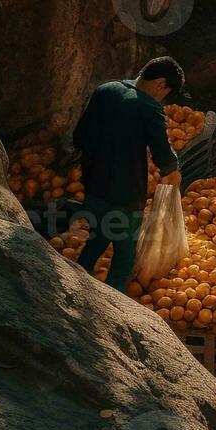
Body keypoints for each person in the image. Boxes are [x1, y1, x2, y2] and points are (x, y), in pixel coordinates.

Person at [72, 56, 185, 291]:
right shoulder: (148, 107)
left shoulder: (105, 90)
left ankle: (74, 283)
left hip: (93, 185)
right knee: (124, 255)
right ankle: (113, 308)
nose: (161, 100)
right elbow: (161, 151)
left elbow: (79, 136)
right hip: (124, 194)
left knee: (99, 235)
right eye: (165, 95)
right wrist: (172, 171)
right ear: (161, 84)